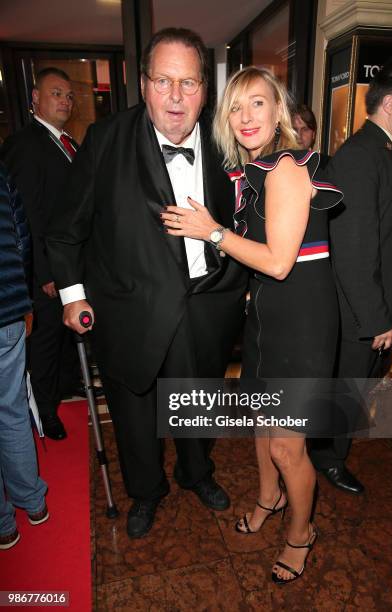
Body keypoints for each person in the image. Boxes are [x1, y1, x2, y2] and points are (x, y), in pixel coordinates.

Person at [46, 29, 247, 538]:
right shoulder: (107, 140)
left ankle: (196, 473)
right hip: (130, 311)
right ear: (143, 84)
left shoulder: (230, 144)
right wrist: (73, 296)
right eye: (163, 81)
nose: (176, 97)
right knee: (136, 415)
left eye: (188, 82)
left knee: (199, 404)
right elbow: (67, 230)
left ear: (206, 88)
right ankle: (145, 492)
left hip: (207, 307)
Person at [161, 66, 343, 584]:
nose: (245, 117)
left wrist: (212, 231)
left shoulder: (286, 168)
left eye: (257, 104)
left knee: (288, 444)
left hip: (301, 324)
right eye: (236, 107)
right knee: (263, 425)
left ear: (278, 110)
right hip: (267, 314)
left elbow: (282, 262)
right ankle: (269, 498)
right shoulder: (256, 170)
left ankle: (300, 533)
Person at [309, 59, 392, 494]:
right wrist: (375, 318)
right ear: (391, 102)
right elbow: (353, 248)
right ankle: (327, 458)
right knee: (347, 385)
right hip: (360, 314)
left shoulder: (386, 152)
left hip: (378, 304)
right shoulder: (359, 156)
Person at [0, 67, 82, 441]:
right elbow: (27, 215)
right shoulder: (24, 144)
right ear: (35, 98)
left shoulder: (70, 144)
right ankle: (46, 412)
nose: (64, 101)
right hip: (47, 271)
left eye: (68, 95)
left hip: (73, 264)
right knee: (46, 342)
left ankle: (67, 389)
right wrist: (46, 273)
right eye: (55, 93)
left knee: (67, 336)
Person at [0, 163, 48, 550]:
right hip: (7, 310)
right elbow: (21, 237)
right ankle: (33, 503)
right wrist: (23, 300)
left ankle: (4, 525)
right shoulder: (1, 170)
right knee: (13, 412)